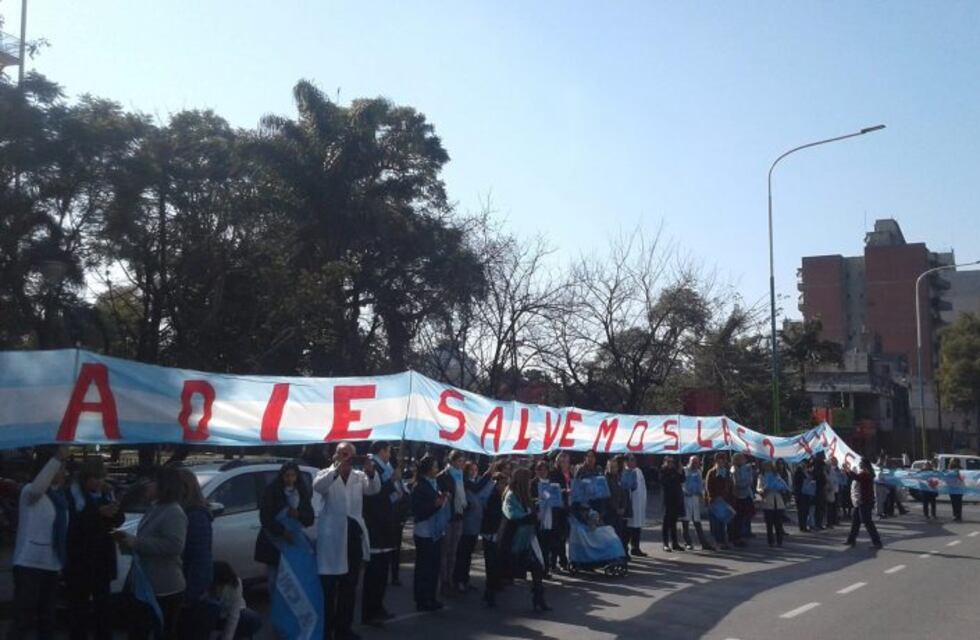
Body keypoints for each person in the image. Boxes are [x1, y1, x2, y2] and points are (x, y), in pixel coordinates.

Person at [313, 442, 381, 640]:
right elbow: (319, 487)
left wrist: (371, 471)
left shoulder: (359, 476)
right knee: (328, 590)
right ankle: (326, 630)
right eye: (343, 454)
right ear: (335, 455)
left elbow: (373, 489)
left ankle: (344, 630)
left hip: (353, 537)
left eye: (351, 455)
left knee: (349, 588)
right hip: (332, 539)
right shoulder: (325, 473)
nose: (347, 458)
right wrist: (336, 469)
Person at [115, 466, 188, 640]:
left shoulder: (173, 512)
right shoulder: (155, 508)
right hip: (145, 583)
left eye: (153, 481)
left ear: (164, 485)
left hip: (164, 587)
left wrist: (137, 542)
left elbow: (174, 545)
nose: (148, 485)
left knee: (161, 631)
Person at [11, 446, 69, 640]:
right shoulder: (30, 492)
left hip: (52, 564)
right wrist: (57, 458)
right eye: (61, 469)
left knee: (47, 618)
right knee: (23, 618)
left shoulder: (60, 497)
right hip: (29, 564)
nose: (64, 473)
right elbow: (38, 487)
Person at [64, 457, 124, 640]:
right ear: (86, 478)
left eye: (101, 478)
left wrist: (114, 509)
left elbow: (118, 520)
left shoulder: (106, 494)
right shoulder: (74, 495)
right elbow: (73, 524)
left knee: (103, 608)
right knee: (79, 608)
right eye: (95, 478)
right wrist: (98, 513)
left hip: (102, 561)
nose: (98, 482)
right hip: (80, 561)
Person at [254, 461, 316, 585]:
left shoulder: (302, 492)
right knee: (276, 580)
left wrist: (299, 515)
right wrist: (282, 531)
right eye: (287, 475)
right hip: (274, 544)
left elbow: (309, 518)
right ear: (282, 476)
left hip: (294, 543)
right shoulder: (272, 491)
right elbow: (266, 517)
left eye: (293, 475)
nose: (290, 479)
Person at [362, 442, 401, 626]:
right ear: (381, 451)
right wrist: (391, 481)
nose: (390, 455)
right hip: (375, 524)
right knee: (374, 572)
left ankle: (378, 606)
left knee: (383, 571)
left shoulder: (386, 467)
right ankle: (369, 611)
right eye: (388, 451)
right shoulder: (372, 467)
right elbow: (374, 494)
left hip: (386, 524)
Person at [500, 468, 550, 612]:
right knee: (500, 571)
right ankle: (489, 596)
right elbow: (514, 516)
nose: (529, 483)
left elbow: (529, 512)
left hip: (526, 540)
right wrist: (533, 517)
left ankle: (538, 598)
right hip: (512, 541)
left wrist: (538, 506)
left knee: (537, 567)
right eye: (527, 480)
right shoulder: (510, 496)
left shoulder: (525, 496)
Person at [176, 468, 215, 640]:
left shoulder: (196, 516)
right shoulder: (186, 512)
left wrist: (191, 594)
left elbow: (200, 557)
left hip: (190, 589)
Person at [411, 455, 448, 612]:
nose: (437, 469)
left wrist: (443, 499)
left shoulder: (434, 483)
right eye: (434, 466)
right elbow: (417, 510)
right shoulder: (419, 486)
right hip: (424, 532)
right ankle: (422, 599)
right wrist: (435, 505)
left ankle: (431, 597)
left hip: (436, 531)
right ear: (427, 469)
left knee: (434, 566)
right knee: (424, 568)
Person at [436, 450, 468, 597]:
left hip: (459, 516)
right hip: (448, 517)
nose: (462, 464)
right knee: (445, 551)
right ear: (452, 461)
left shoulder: (461, 475)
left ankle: (450, 578)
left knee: (453, 551)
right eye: (460, 461)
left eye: (463, 461)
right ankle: (443, 581)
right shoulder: (444, 476)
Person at [212, 561, 263, 640]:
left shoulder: (235, 584)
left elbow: (234, 616)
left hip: (230, 614)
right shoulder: (207, 585)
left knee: (253, 619)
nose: (219, 588)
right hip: (214, 616)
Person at [480, 472, 508, 607]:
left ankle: (491, 590)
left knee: (494, 564)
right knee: (491, 564)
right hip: (491, 534)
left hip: (494, 533)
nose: (503, 486)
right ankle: (490, 592)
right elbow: (493, 517)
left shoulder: (501, 496)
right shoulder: (494, 497)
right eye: (501, 483)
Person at [845, 458, 883, 549]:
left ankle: (877, 542)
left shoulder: (867, 473)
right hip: (861, 501)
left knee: (867, 522)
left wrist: (848, 470)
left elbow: (857, 477)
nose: (859, 464)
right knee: (855, 521)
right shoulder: (866, 473)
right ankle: (851, 540)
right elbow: (856, 477)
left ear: (865, 464)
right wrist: (848, 472)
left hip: (865, 501)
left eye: (861, 463)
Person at [530, 460, 557, 575]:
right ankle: (539, 570)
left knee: (547, 545)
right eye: (540, 469)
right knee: (539, 544)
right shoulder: (532, 483)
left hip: (550, 515)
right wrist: (538, 500)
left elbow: (556, 498)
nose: (542, 472)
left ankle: (546, 569)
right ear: (536, 471)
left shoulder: (552, 483)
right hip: (539, 516)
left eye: (545, 470)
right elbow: (530, 499)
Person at [548, 453, 573, 572]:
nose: (565, 464)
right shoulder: (554, 474)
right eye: (562, 461)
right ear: (557, 462)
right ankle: (554, 562)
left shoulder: (570, 474)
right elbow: (552, 490)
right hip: (557, 508)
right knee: (556, 536)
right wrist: (564, 491)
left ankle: (563, 560)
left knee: (563, 535)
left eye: (566, 461)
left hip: (568, 507)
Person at [680, 456, 712, 550]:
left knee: (697, 522)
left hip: (695, 498)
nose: (695, 464)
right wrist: (685, 492)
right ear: (689, 462)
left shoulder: (698, 472)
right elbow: (681, 484)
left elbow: (700, 485)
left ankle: (703, 543)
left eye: (696, 462)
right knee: (685, 523)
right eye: (693, 462)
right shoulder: (684, 470)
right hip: (686, 499)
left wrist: (702, 495)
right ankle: (688, 542)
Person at [706, 453, 735, 550]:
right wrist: (713, 498)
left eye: (722, 459)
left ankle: (724, 541)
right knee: (715, 524)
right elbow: (708, 487)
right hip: (715, 501)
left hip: (725, 501)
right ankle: (717, 542)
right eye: (719, 459)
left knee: (724, 522)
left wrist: (730, 498)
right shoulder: (711, 472)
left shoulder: (727, 473)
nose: (721, 461)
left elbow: (731, 486)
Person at [757, 462, 787, 548]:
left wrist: (781, 488)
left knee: (779, 523)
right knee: (769, 524)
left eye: (769, 466)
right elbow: (759, 488)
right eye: (766, 466)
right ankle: (771, 541)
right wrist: (765, 488)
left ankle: (779, 541)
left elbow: (783, 486)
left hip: (778, 501)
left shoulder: (776, 475)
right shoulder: (761, 476)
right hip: (768, 501)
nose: (768, 468)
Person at [604, 456, 630, 551]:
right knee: (610, 537)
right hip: (609, 513)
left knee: (619, 535)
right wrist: (616, 508)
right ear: (607, 467)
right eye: (611, 467)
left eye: (615, 467)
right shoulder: (604, 480)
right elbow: (606, 496)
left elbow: (623, 493)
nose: (613, 469)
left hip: (619, 513)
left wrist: (623, 507)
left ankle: (620, 554)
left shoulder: (619, 478)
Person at [625, 455, 648, 556]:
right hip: (631, 503)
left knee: (637, 526)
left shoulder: (638, 471)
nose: (634, 462)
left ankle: (636, 548)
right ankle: (625, 549)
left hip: (639, 503)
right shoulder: (626, 472)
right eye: (631, 460)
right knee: (629, 528)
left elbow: (643, 487)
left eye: (634, 460)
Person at [659, 457, 684, 553]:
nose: (671, 464)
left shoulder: (675, 470)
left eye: (672, 462)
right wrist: (675, 476)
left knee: (674, 522)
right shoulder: (663, 471)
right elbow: (664, 482)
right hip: (667, 499)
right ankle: (665, 543)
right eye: (668, 462)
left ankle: (675, 543)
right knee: (666, 522)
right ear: (665, 462)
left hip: (676, 499)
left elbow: (682, 480)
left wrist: (681, 472)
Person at [730, 454, 753, 546]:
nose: (742, 460)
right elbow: (736, 483)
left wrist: (745, 483)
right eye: (739, 459)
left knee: (745, 517)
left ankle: (743, 535)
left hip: (746, 495)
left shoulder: (747, 468)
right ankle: (736, 538)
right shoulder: (733, 469)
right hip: (736, 497)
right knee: (737, 518)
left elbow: (749, 480)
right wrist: (744, 483)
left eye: (742, 459)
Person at [792, 462, 810, 532]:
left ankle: (803, 525)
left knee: (803, 511)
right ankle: (803, 526)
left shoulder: (804, 473)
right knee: (802, 511)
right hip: (801, 494)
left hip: (804, 494)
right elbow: (799, 483)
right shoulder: (799, 473)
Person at [948, 458, 964, 522]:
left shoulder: (961, 469)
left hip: (959, 488)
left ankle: (959, 516)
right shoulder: (949, 469)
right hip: (951, 488)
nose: (950, 462)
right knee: (953, 502)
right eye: (950, 461)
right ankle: (955, 515)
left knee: (958, 502)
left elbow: (963, 477)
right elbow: (947, 477)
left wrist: (958, 473)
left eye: (952, 461)